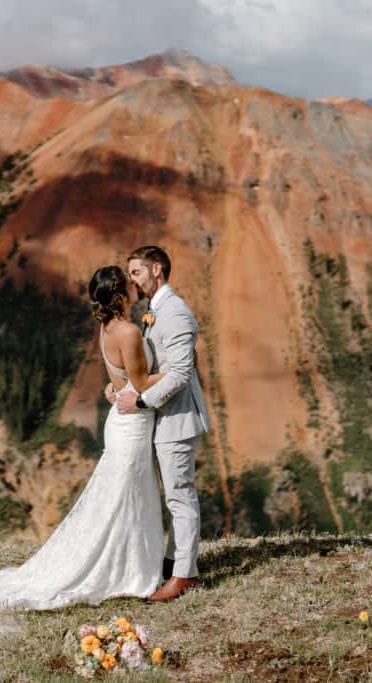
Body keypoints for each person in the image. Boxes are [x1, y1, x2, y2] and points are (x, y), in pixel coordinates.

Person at [0, 265, 166, 617]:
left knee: (123, 499)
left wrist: (119, 388)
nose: (134, 287)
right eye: (129, 285)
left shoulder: (105, 328)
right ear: (121, 295)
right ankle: (132, 572)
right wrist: (177, 372)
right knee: (129, 497)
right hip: (133, 425)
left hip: (122, 421)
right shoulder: (127, 331)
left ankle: (130, 569)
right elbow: (140, 383)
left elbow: (123, 379)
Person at [113, 245, 210, 602]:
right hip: (164, 418)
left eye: (136, 272)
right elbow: (153, 367)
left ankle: (185, 576)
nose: (132, 281)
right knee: (172, 495)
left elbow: (182, 373)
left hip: (179, 419)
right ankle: (174, 560)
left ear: (156, 269)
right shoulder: (155, 310)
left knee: (180, 496)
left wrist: (139, 400)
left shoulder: (176, 312)